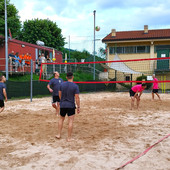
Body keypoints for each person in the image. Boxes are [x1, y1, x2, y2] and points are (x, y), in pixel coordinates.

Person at [56, 72, 80, 142]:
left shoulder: (62, 85)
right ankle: (69, 138)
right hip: (71, 105)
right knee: (70, 121)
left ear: (66, 77)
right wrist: (78, 107)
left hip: (63, 104)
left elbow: (59, 94)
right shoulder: (75, 86)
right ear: (73, 77)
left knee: (61, 119)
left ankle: (59, 134)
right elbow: (77, 98)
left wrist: (62, 101)